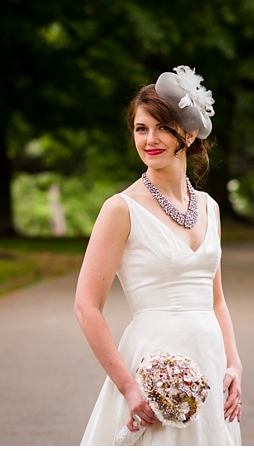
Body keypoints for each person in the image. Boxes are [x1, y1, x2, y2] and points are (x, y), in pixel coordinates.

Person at [76, 67, 243, 445]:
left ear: (187, 133)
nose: (150, 140)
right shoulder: (120, 209)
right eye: (140, 128)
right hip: (153, 369)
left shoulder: (209, 207)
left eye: (162, 127)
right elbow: (87, 307)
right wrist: (129, 388)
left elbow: (216, 299)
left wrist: (233, 362)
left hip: (210, 361)